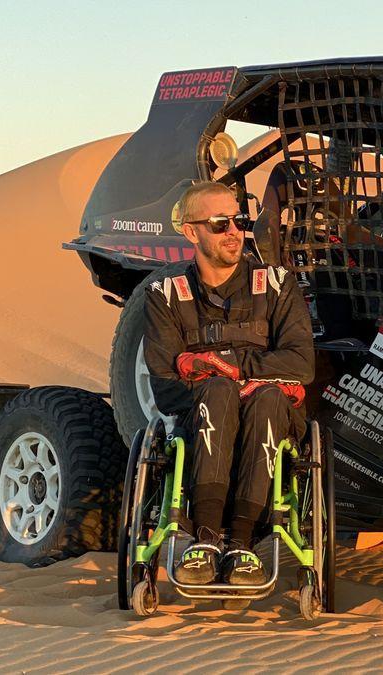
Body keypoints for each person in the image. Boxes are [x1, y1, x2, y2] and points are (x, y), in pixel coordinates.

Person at [143, 181, 314, 586]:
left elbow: (302, 363)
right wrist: (222, 384)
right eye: (220, 224)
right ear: (191, 231)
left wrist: (230, 367)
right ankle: (203, 539)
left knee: (266, 395)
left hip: (270, 416)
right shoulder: (164, 294)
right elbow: (166, 389)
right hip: (198, 421)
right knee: (218, 394)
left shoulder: (276, 284)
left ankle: (242, 543)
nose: (234, 231)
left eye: (239, 220)